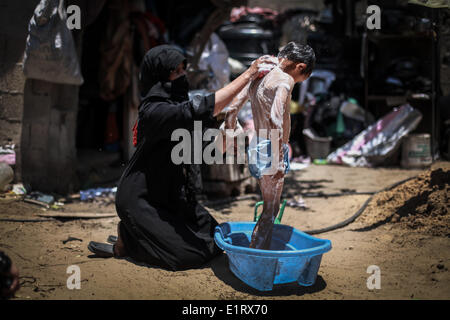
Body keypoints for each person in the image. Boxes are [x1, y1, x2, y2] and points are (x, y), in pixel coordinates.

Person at [88, 45, 275, 270]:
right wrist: (249, 74)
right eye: (175, 72)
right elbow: (200, 108)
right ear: (159, 76)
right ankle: (127, 240)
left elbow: (207, 151)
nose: (182, 76)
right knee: (185, 257)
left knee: (215, 240)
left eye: (183, 70)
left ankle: (141, 236)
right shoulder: (154, 111)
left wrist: (228, 134)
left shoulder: (178, 109)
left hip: (173, 197)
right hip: (141, 199)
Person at [222, 42, 315, 249]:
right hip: (271, 148)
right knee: (270, 211)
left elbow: (232, 109)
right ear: (300, 67)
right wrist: (278, 158)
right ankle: (258, 258)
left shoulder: (260, 75)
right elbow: (275, 118)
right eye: (304, 77)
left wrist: (231, 132)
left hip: (256, 146)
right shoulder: (285, 80)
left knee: (267, 206)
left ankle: (256, 249)